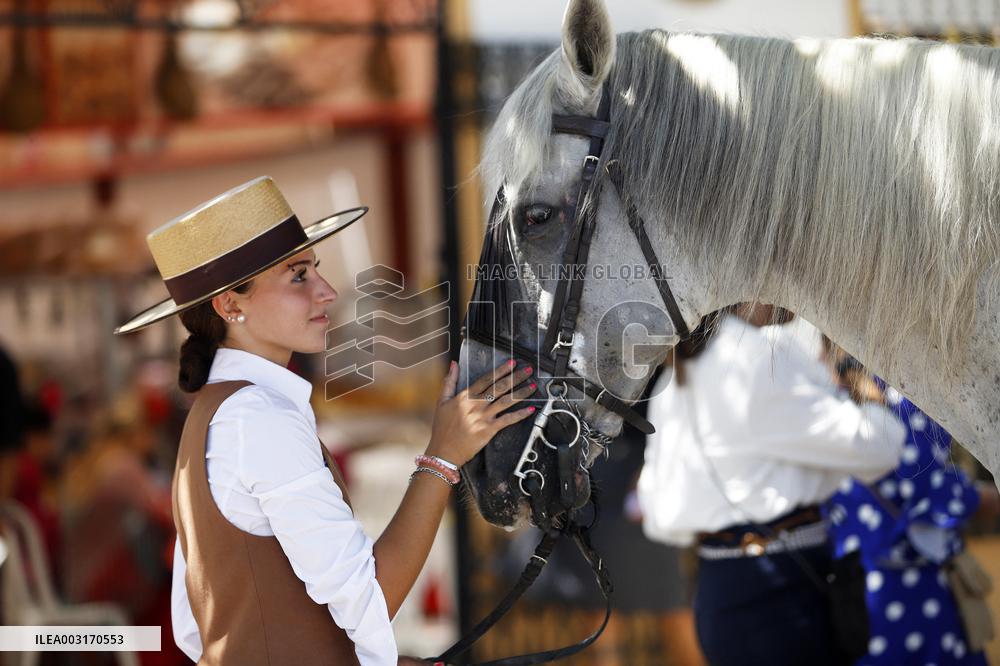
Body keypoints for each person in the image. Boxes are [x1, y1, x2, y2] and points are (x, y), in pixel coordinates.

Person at [114, 176, 536, 665]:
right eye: (298, 276)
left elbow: (198, 630)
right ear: (230, 305)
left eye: (315, 270)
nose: (327, 291)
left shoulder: (214, 414)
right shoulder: (257, 418)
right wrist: (443, 455)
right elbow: (370, 597)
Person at [637, 304, 906, 666]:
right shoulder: (756, 357)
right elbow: (877, 447)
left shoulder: (681, 367)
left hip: (721, 588)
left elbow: (658, 509)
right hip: (782, 594)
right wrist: (865, 390)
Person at [824, 347, 998, 665]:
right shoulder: (907, 392)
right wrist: (982, 498)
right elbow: (932, 488)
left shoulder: (821, 392)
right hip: (913, 589)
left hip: (853, 588)